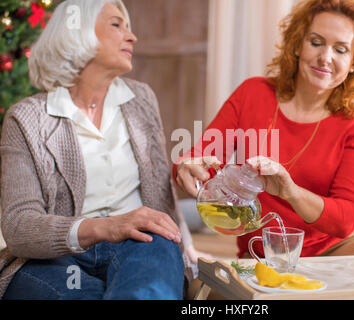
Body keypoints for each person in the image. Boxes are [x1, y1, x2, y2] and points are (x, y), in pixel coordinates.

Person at [0, 0, 205, 300]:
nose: (132, 36)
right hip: (54, 258)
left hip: (141, 245)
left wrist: (186, 248)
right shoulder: (27, 118)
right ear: (77, 33)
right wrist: (106, 227)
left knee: (148, 287)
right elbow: (19, 227)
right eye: (116, 25)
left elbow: (162, 196)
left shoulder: (141, 99)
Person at [174, 0, 354, 260]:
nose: (326, 57)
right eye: (316, 42)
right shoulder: (253, 93)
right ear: (298, 44)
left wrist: (291, 192)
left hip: (335, 250)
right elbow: (199, 158)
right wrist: (185, 165)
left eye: (341, 49)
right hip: (266, 253)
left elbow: (347, 219)